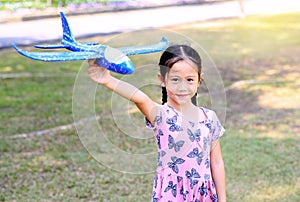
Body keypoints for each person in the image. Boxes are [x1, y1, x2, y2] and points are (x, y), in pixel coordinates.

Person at [88, 44, 226, 202]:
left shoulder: (209, 118)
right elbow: (139, 98)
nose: (182, 87)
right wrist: (107, 80)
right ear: (162, 80)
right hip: (172, 194)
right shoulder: (162, 115)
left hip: (203, 195)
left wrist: (222, 199)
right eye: (175, 79)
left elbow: (216, 162)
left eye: (189, 80)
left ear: (199, 80)